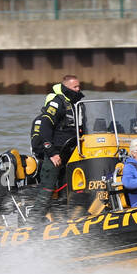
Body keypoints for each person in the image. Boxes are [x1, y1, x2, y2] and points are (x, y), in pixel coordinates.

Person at [28, 74, 83, 219]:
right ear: (66, 87)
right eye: (75, 87)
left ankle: (62, 222)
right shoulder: (57, 103)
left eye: (79, 86)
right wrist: (51, 152)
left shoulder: (76, 105)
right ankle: (32, 224)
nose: (78, 89)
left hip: (70, 156)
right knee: (46, 192)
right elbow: (45, 127)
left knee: (66, 193)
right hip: (55, 155)